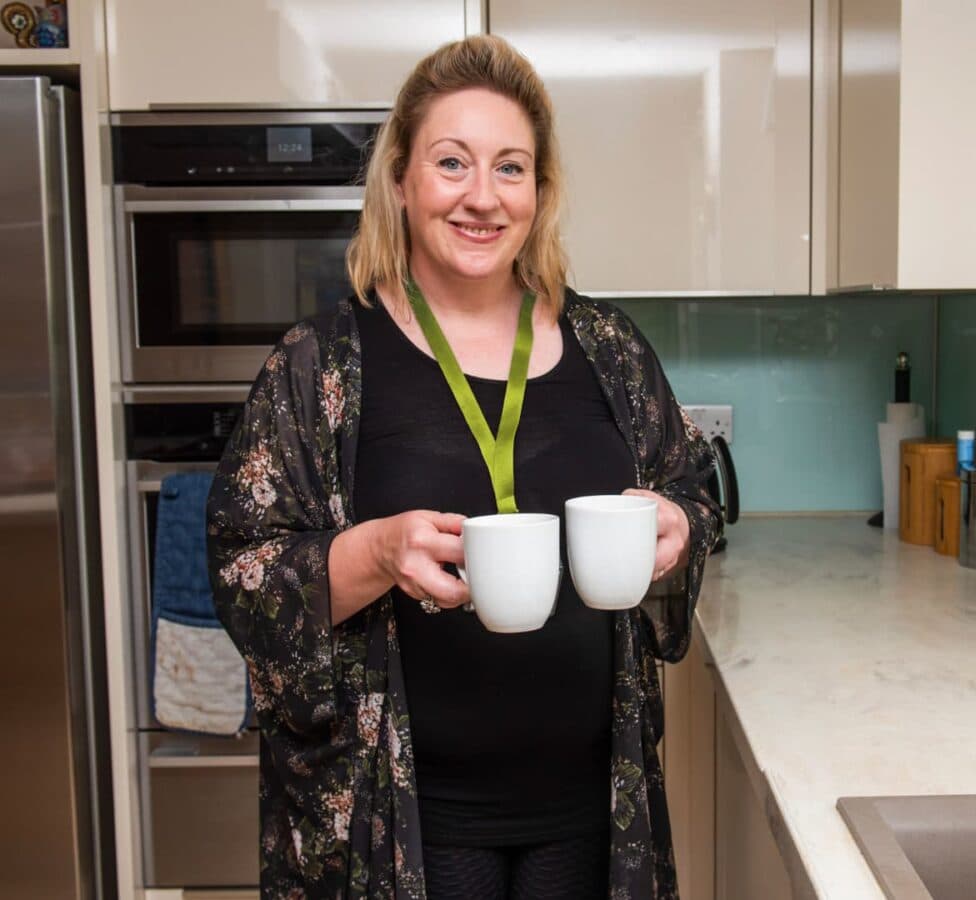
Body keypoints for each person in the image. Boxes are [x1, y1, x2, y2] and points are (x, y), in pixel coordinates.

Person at [207, 34, 721, 900]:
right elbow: (240, 567)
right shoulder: (320, 364)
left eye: (511, 168)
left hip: (591, 803)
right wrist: (372, 554)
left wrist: (679, 525)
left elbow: (690, 491)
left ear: (540, 193)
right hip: (397, 817)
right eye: (453, 163)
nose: (482, 198)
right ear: (402, 181)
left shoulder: (611, 350)